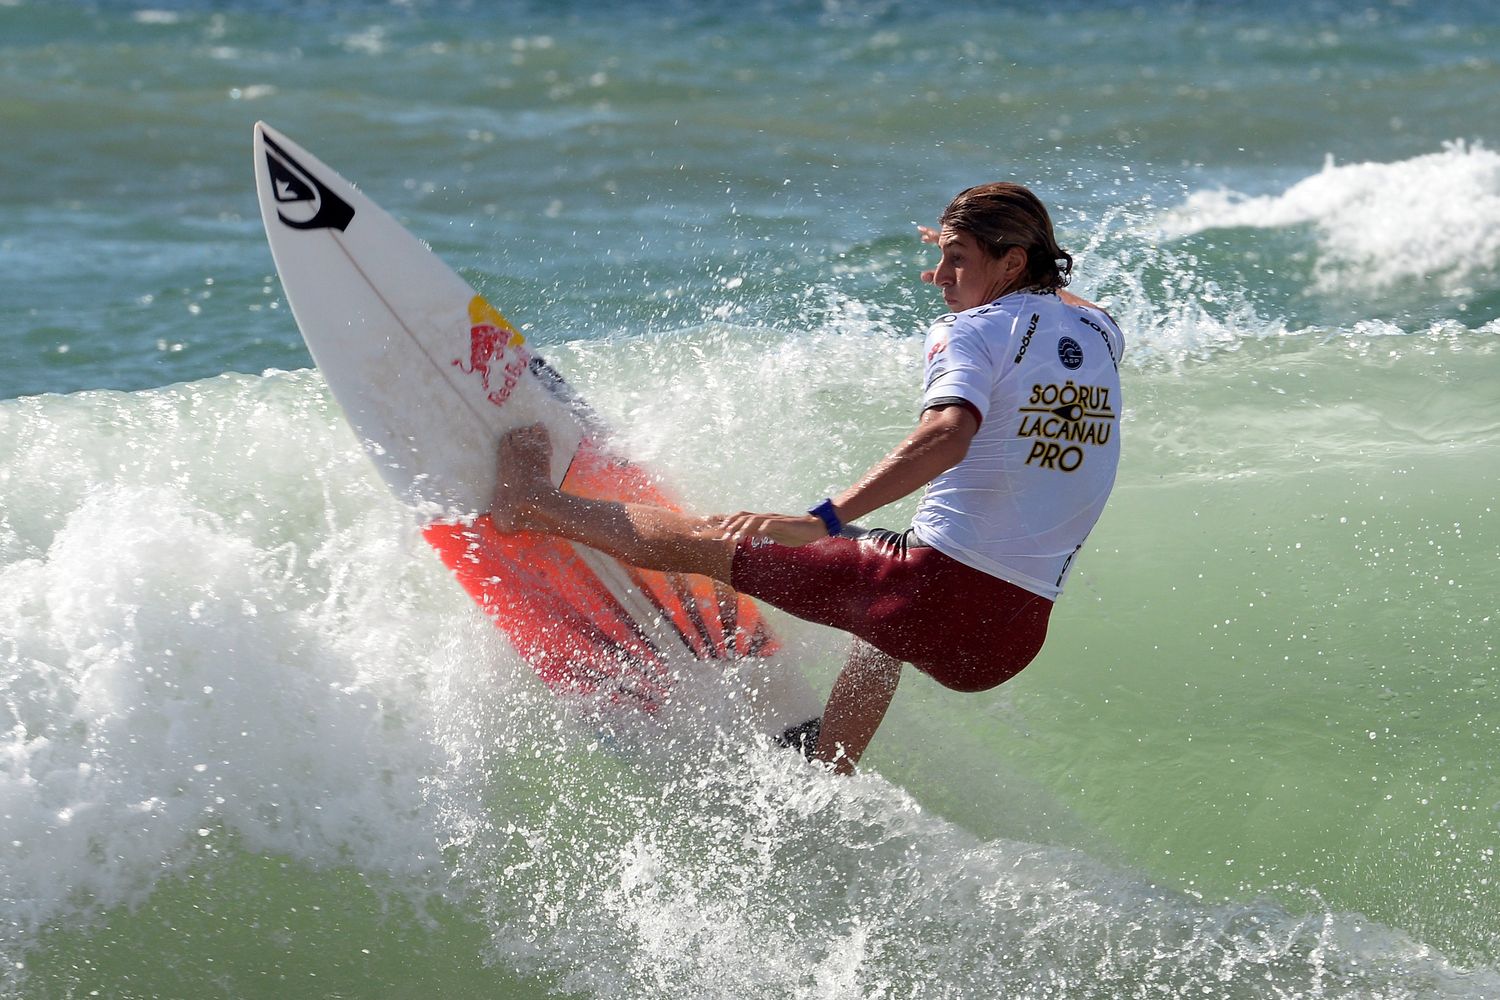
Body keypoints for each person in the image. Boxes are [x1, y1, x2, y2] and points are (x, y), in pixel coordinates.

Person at [491, 182, 1123, 774]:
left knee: (712, 539)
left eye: (958, 260)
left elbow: (948, 434)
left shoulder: (969, 330)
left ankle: (530, 502)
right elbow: (1055, 297)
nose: (940, 278)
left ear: (1012, 264)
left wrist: (817, 519)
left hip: (927, 593)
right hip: (1007, 639)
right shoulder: (1100, 330)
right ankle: (830, 766)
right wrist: (988, 258)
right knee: (883, 618)